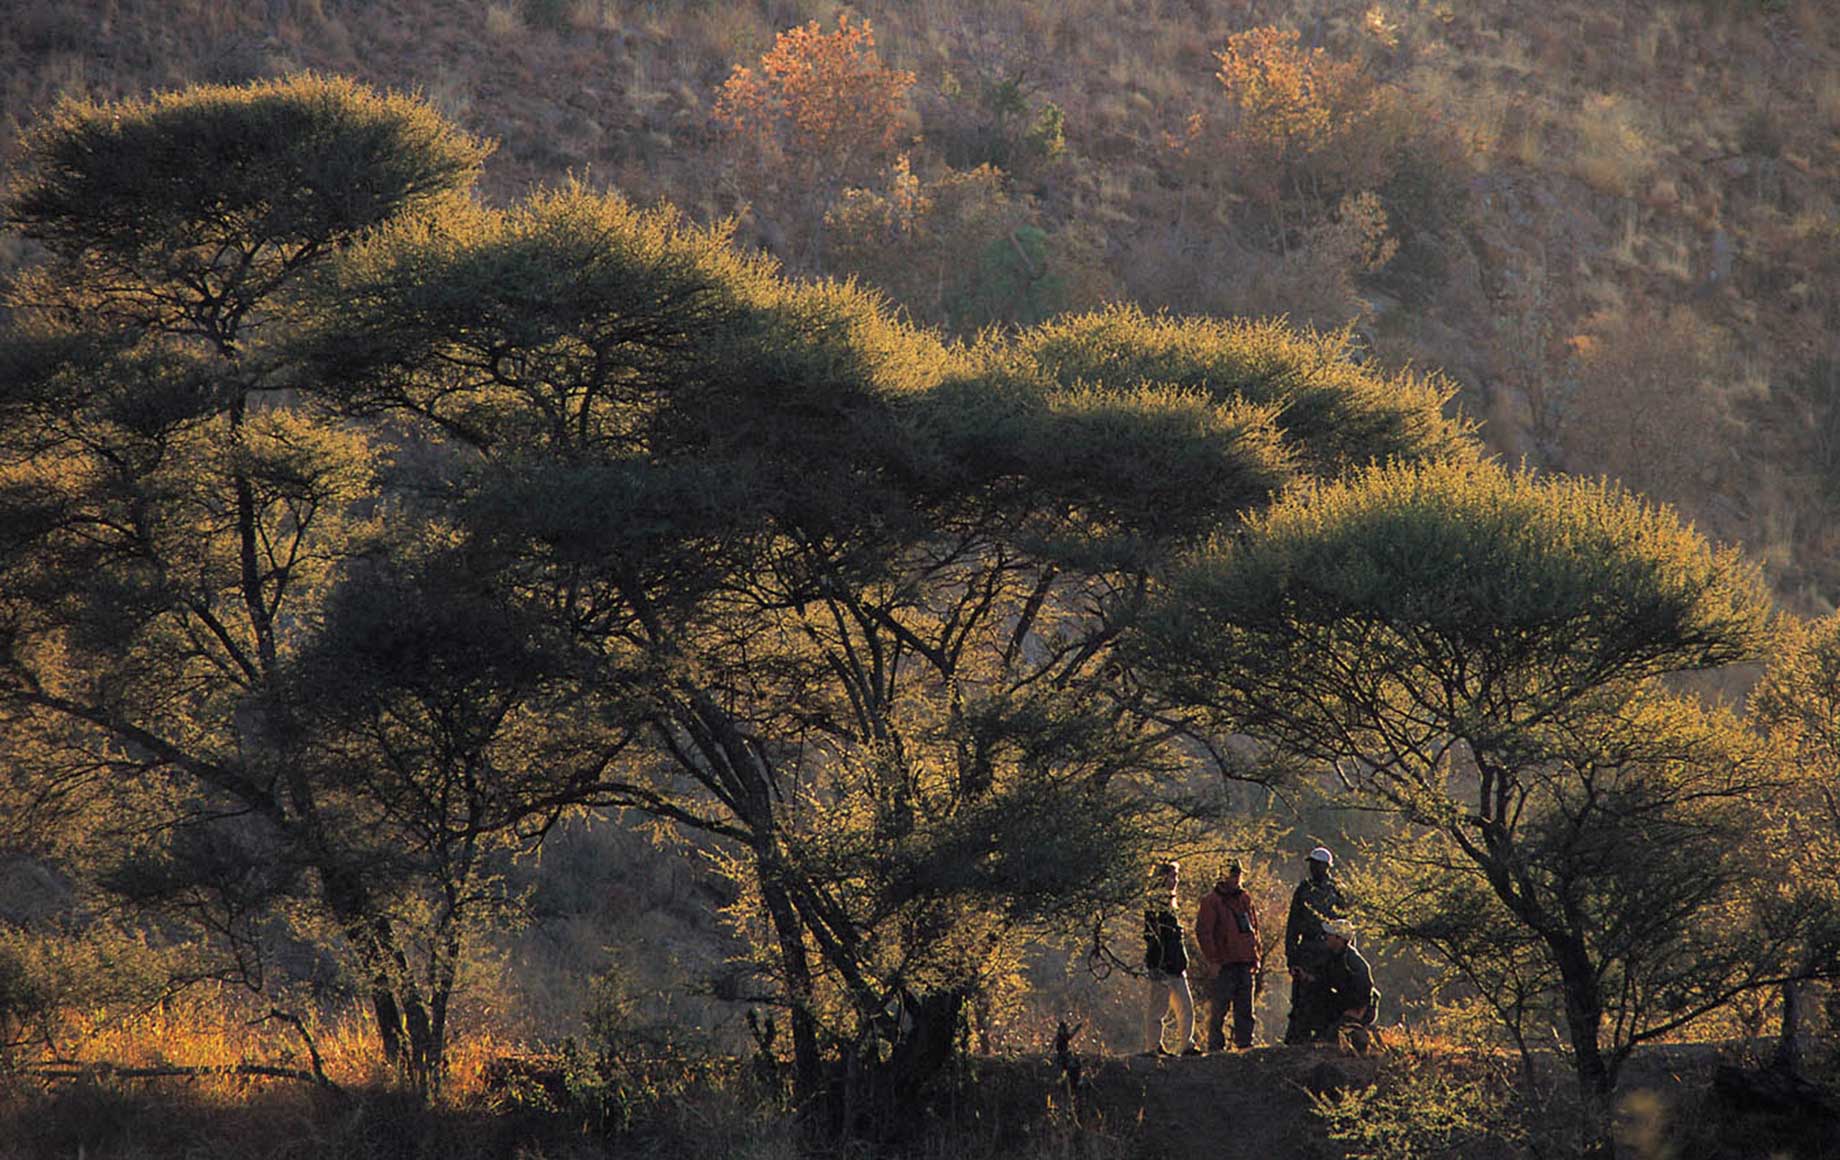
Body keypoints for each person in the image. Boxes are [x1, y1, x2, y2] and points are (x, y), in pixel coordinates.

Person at [1283, 845, 1348, 1045]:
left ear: (1326, 866)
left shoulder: (1337, 890)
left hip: (1330, 951)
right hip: (1307, 951)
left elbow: (1346, 925)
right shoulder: (1303, 889)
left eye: (1317, 865)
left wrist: (1346, 953)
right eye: (1312, 864)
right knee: (1301, 998)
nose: (1313, 868)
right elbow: (1293, 924)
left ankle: (1325, 1036)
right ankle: (1297, 1039)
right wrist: (1291, 956)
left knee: (1326, 995)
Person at [1194, 858, 1261, 1050]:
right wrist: (1213, 960)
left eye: (1238, 873)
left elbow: (1254, 929)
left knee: (1246, 1010)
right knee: (1219, 1010)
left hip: (1245, 962)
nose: (1236, 877)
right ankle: (1215, 1047)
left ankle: (1245, 1046)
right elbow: (1203, 932)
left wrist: (1256, 956)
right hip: (1224, 964)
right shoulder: (1211, 901)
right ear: (1222, 875)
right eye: (1232, 873)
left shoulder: (1245, 898)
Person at [1141, 860, 1201, 1057]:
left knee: (1186, 1008)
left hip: (1175, 966)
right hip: (1162, 966)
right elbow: (1154, 938)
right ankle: (1152, 1047)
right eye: (1171, 876)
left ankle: (1186, 1045)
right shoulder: (1155, 905)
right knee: (1158, 1009)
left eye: (1176, 876)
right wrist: (1159, 964)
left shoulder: (1169, 903)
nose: (1175, 880)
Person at [1318, 918, 1381, 1052]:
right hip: (1343, 1003)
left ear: (1339, 938)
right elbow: (1324, 980)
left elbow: (1366, 991)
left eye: (1329, 935)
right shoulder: (1333, 956)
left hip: (1360, 1009)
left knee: (1334, 1038)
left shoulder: (1354, 962)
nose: (1326, 937)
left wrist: (1356, 1013)